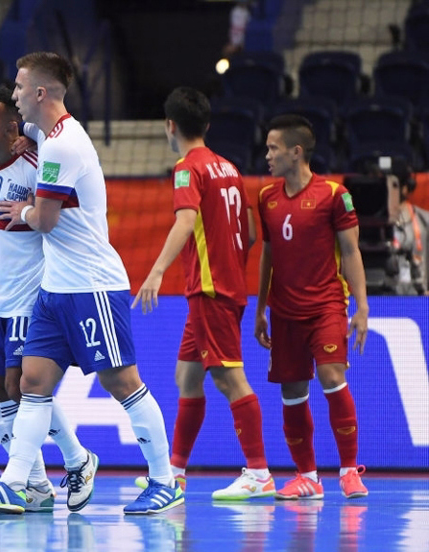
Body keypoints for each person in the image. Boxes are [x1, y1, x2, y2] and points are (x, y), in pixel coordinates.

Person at [0, 52, 182, 516]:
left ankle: (165, 479)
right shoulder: (44, 132)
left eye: (19, 88)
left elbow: (44, 219)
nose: (14, 95)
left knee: (122, 382)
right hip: (55, 288)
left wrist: (20, 212)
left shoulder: (64, 146)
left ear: (40, 93)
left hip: (91, 285)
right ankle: (16, 482)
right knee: (33, 382)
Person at [131, 86, 274, 500]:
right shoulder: (228, 167)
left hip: (211, 288)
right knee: (187, 377)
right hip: (220, 285)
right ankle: (174, 471)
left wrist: (157, 271)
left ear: (169, 125)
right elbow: (248, 233)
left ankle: (259, 472)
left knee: (230, 378)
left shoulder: (186, 168)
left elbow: (185, 220)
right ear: (206, 125)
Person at [0, 84, 101, 512]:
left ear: (13, 127)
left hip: (31, 297)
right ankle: (41, 483)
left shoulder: (37, 161)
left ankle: (65, 463)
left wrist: (30, 210)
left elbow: (56, 213)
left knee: (23, 386)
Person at [256, 114, 369, 500]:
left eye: (273, 148)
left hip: (326, 305)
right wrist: (260, 310)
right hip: (283, 311)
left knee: (332, 377)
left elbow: (352, 252)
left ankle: (350, 471)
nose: (267, 155)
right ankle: (307, 477)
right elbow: (268, 254)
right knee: (292, 392)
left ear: (296, 152)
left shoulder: (334, 195)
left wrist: (362, 307)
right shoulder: (265, 196)